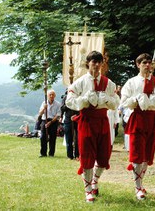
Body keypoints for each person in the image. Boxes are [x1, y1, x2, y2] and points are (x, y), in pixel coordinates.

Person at [65, 51, 120, 203]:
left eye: (99, 62)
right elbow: (69, 102)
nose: (96, 65)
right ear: (88, 63)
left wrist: (107, 99)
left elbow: (116, 102)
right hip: (87, 121)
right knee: (88, 157)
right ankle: (88, 190)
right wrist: (84, 99)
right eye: (93, 62)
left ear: (102, 64)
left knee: (103, 158)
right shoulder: (80, 82)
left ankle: (95, 181)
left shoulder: (109, 83)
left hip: (102, 121)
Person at [120, 53, 155, 200]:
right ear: (138, 64)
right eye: (144, 63)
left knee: (147, 154)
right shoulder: (132, 83)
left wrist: (153, 100)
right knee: (137, 154)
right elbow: (124, 101)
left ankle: (140, 182)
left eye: (149, 62)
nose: (147, 65)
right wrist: (137, 99)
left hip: (152, 118)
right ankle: (138, 187)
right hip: (138, 118)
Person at [38, 89, 61, 157]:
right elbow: (40, 113)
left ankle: (51, 153)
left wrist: (50, 122)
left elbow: (58, 115)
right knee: (43, 137)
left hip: (53, 121)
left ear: (55, 96)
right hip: (44, 120)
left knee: (53, 137)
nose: (51, 96)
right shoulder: (44, 103)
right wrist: (44, 108)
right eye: (50, 95)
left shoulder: (58, 104)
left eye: (52, 94)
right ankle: (43, 153)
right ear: (47, 96)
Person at [60, 89, 80, 160]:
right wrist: (68, 104)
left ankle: (77, 155)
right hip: (68, 119)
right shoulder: (65, 97)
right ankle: (69, 155)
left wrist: (77, 115)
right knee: (69, 138)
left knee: (78, 138)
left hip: (77, 119)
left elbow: (81, 108)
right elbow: (62, 108)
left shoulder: (78, 97)